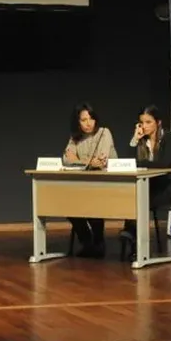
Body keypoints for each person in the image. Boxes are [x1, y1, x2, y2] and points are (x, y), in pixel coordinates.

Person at [121, 105, 171, 258]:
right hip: (149, 187)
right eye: (142, 123)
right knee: (135, 195)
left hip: (168, 188)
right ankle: (134, 242)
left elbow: (165, 164)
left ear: (158, 122)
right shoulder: (143, 141)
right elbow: (129, 163)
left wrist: (141, 163)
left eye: (148, 122)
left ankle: (131, 236)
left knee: (139, 198)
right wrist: (135, 139)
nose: (144, 126)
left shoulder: (170, 138)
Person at [63, 103, 117, 258]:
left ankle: (98, 242)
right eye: (84, 120)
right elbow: (66, 160)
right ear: (77, 122)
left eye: (91, 119)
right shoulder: (75, 138)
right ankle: (87, 241)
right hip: (84, 184)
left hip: (108, 183)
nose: (88, 123)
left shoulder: (104, 133)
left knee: (92, 200)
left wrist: (78, 160)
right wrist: (87, 162)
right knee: (67, 204)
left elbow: (100, 161)